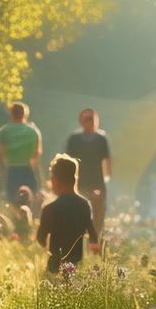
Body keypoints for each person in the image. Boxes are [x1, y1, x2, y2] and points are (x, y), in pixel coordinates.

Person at [37, 154, 96, 274]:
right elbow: (92, 234)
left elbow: (41, 239)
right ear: (74, 179)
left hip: (54, 266)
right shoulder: (84, 205)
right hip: (77, 267)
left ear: (55, 180)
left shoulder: (50, 208)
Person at [64, 108, 111, 248]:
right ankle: (77, 244)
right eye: (86, 118)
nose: (89, 121)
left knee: (98, 216)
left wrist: (107, 178)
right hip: (79, 183)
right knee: (78, 214)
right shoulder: (74, 139)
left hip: (97, 182)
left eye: (92, 118)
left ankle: (95, 244)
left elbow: (107, 160)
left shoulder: (101, 139)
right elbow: (68, 160)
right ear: (81, 121)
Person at [0, 102, 42, 204]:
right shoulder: (33, 131)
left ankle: (15, 218)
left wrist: (3, 165)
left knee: (12, 198)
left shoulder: (4, 131)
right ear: (25, 114)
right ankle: (29, 217)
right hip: (28, 169)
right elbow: (38, 152)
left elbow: (1, 153)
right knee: (30, 197)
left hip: (12, 168)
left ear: (11, 114)